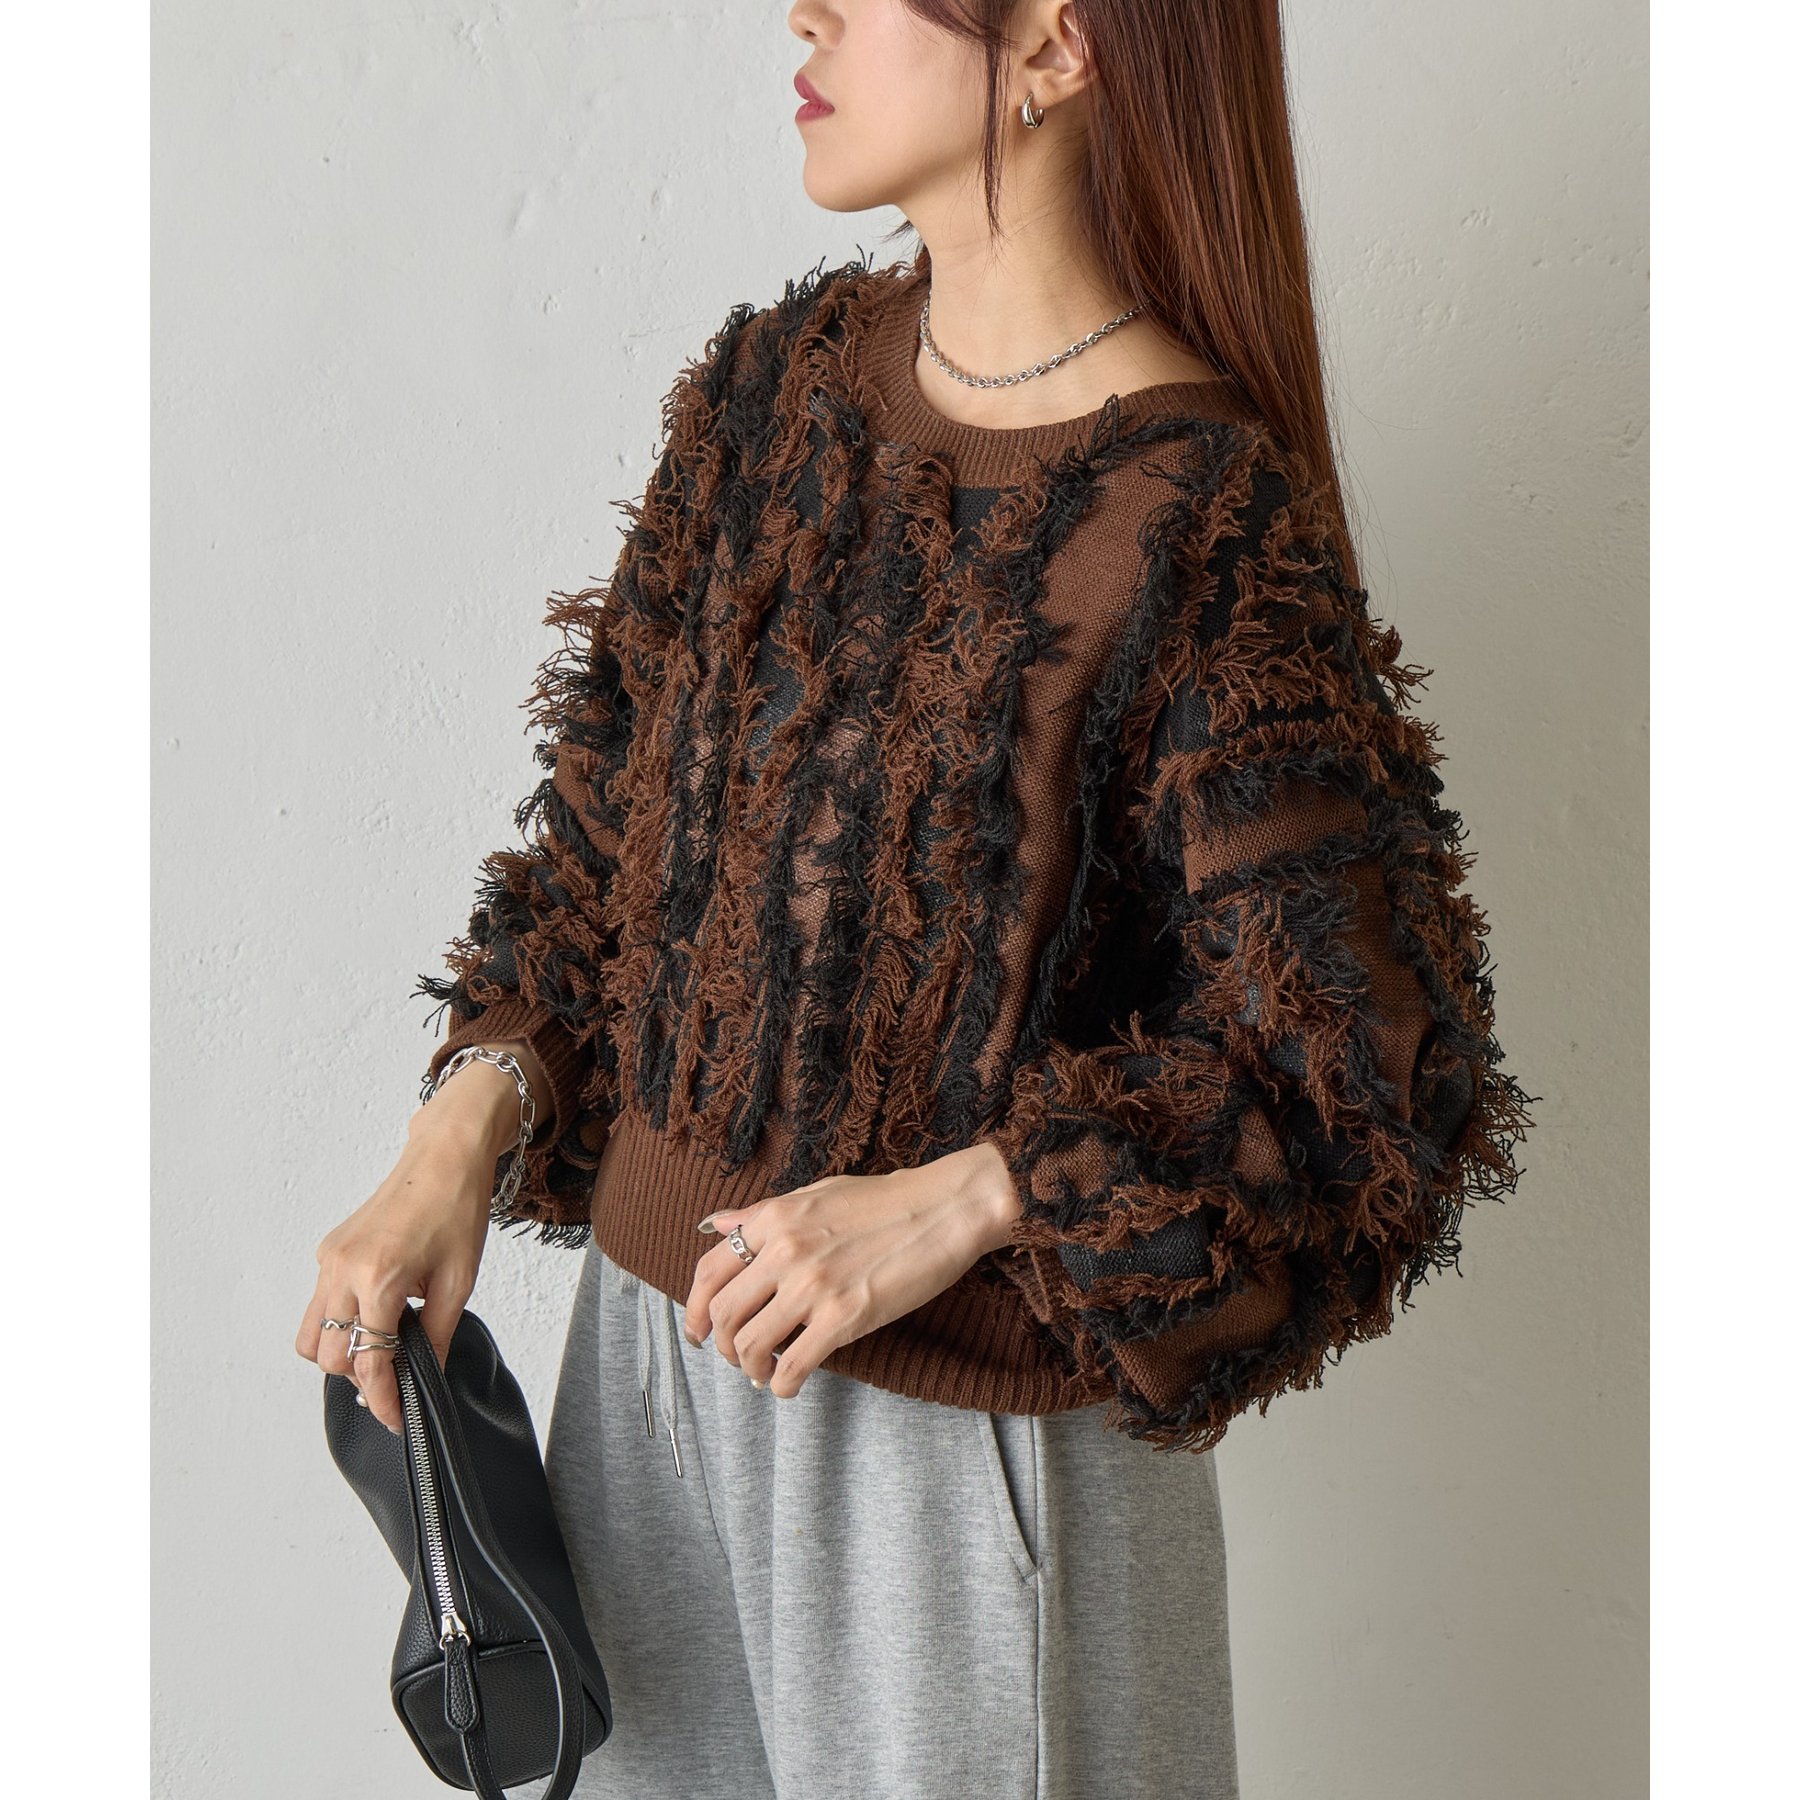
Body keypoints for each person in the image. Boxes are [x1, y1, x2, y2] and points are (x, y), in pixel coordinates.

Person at [296, 4, 1535, 1795]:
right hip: (642, 1387)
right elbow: (602, 862)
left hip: (957, 1457)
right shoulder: (771, 400)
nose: (806, 10)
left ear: (1059, 46)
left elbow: (1366, 1087)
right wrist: (455, 1141)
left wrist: (969, 1199)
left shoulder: (1198, 514)